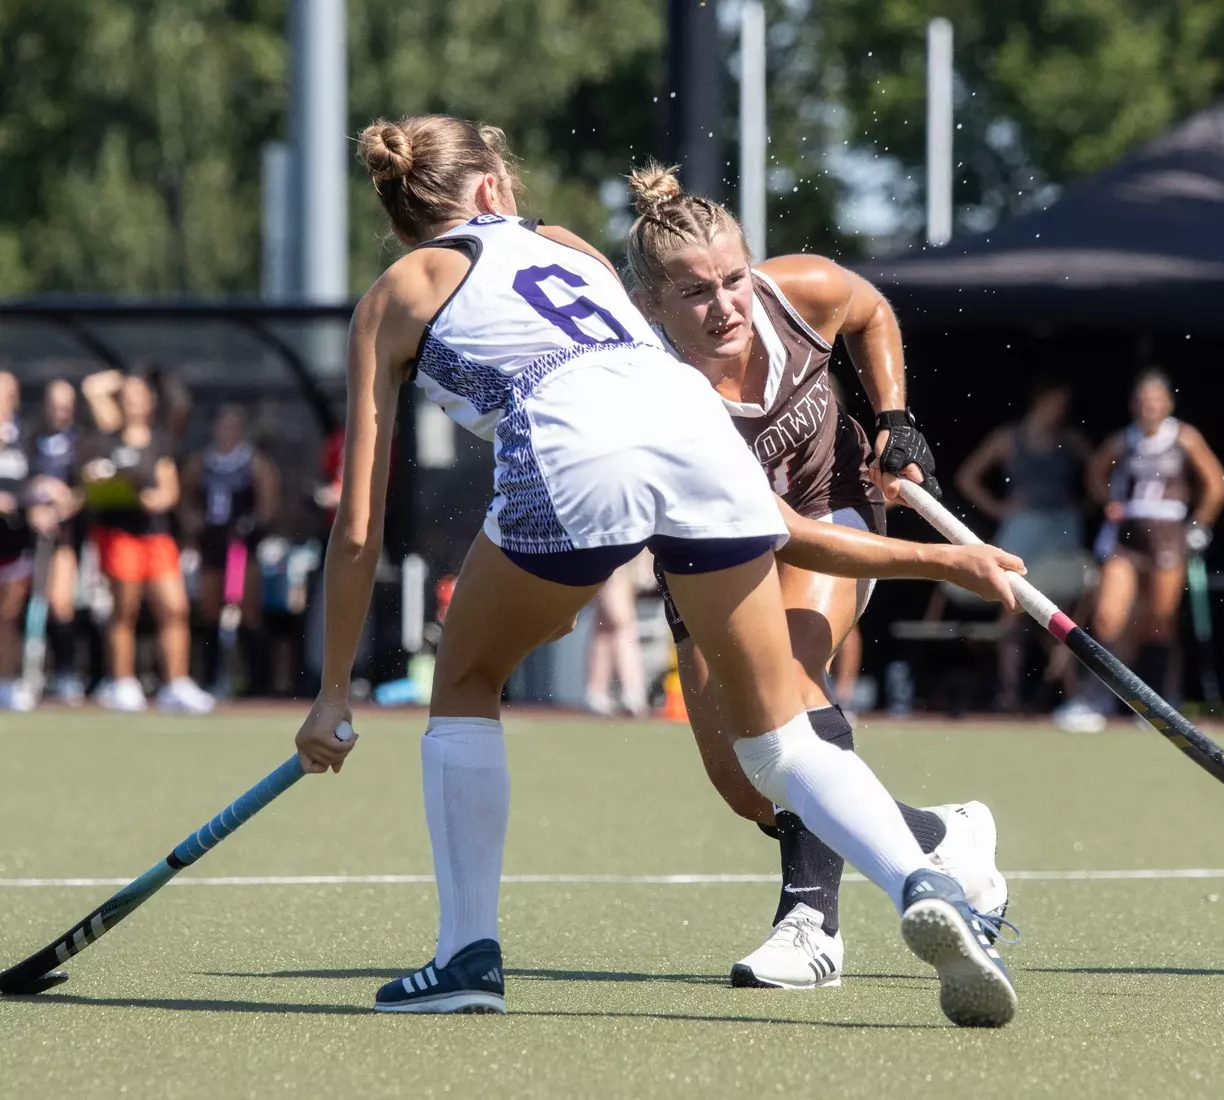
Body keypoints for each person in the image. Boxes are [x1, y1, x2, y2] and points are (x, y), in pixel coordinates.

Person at [295, 114, 1018, 1027]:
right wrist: (940, 562)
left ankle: (466, 955)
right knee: (776, 740)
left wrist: (332, 694)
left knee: (470, 678)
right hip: (689, 421)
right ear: (491, 191)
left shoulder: (392, 295)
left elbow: (358, 527)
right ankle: (925, 874)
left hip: (566, 443)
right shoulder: (563, 243)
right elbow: (681, 462)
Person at [623, 164, 1005, 990]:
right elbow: (778, 535)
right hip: (716, 556)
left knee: (792, 684)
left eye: (732, 279)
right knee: (749, 781)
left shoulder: (797, 293)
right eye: (694, 294)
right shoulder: (660, 395)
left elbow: (871, 312)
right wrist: (948, 561)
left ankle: (810, 927)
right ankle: (940, 837)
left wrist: (895, 419)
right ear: (651, 305)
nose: (726, 306)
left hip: (834, 507)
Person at [1055, 369, 1224, 732]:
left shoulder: (1184, 438)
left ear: (1167, 403)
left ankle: (1154, 704)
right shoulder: (1124, 440)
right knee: (1107, 616)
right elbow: (1095, 473)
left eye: (1155, 401)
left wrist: (1200, 525)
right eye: (1143, 401)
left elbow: (1216, 485)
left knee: (1159, 622)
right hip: (1128, 538)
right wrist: (1108, 501)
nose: (1149, 408)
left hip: (1167, 537)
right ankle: (1096, 698)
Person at [79, 369, 215, 715]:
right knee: (125, 610)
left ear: (151, 402)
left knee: (174, 608)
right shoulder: (107, 439)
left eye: (140, 395)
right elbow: (93, 387)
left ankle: (176, 683)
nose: (134, 401)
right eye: (128, 396)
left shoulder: (161, 440)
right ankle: (123, 682)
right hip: (118, 534)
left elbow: (168, 491)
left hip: (155, 536)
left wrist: (154, 498)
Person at [956, 375, 1092, 710]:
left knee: (1065, 608)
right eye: (1054, 403)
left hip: (1061, 531)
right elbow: (967, 477)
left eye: (1064, 406)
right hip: (1022, 531)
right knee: (1013, 606)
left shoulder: (1070, 439)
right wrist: (999, 507)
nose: (1059, 412)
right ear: (1040, 400)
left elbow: (1101, 474)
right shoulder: (1009, 438)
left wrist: (1085, 506)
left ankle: (1074, 694)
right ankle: (1010, 691)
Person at [182, 405, 280, 696]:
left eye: (234, 426)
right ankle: (211, 677)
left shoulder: (254, 463)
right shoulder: (202, 461)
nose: (228, 432)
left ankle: (255, 682)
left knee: (245, 610)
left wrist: (251, 525)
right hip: (211, 544)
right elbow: (186, 497)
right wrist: (194, 522)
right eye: (223, 425)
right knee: (210, 610)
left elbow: (268, 505)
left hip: (240, 545)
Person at [24, 379, 88, 703]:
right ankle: (25, 675)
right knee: (25, 605)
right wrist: (34, 502)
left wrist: (67, 503)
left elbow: (88, 484)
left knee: (61, 604)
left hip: (64, 534)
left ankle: (66, 672)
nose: (60, 410)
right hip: (26, 534)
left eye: (67, 404)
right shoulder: (30, 436)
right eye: (55, 403)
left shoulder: (82, 440)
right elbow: (18, 476)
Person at [0, 372, 33, 711]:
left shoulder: (24, 437)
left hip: (12, 542)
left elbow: (36, 476)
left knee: (8, 615)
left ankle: (6, 682)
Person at [584, 553, 647, 717]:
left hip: (621, 555)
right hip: (612, 554)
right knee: (621, 623)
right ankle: (630, 691)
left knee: (606, 626)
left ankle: (599, 691)